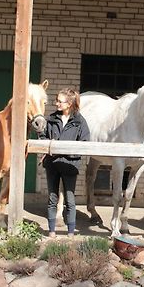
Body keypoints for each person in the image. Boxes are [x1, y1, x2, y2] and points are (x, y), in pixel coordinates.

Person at [39, 88, 90, 238]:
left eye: (60, 101)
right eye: (57, 100)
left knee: (70, 199)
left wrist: (69, 152)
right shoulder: (51, 119)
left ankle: (70, 232)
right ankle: (52, 230)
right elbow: (42, 136)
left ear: (69, 104)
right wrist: (46, 145)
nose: (57, 103)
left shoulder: (79, 121)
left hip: (70, 165)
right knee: (52, 198)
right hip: (52, 164)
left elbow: (85, 142)